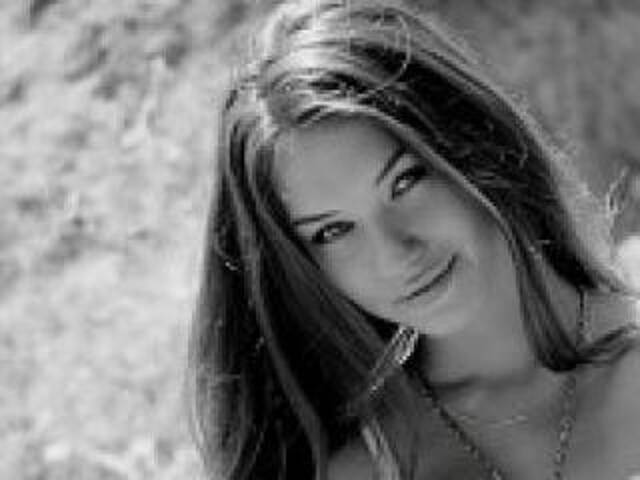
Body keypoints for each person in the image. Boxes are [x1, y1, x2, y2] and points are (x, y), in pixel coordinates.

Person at [188, 0, 640, 478]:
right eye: (333, 231)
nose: (394, 253)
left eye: (404, 183)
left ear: (478, 142)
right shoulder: (357, 468)